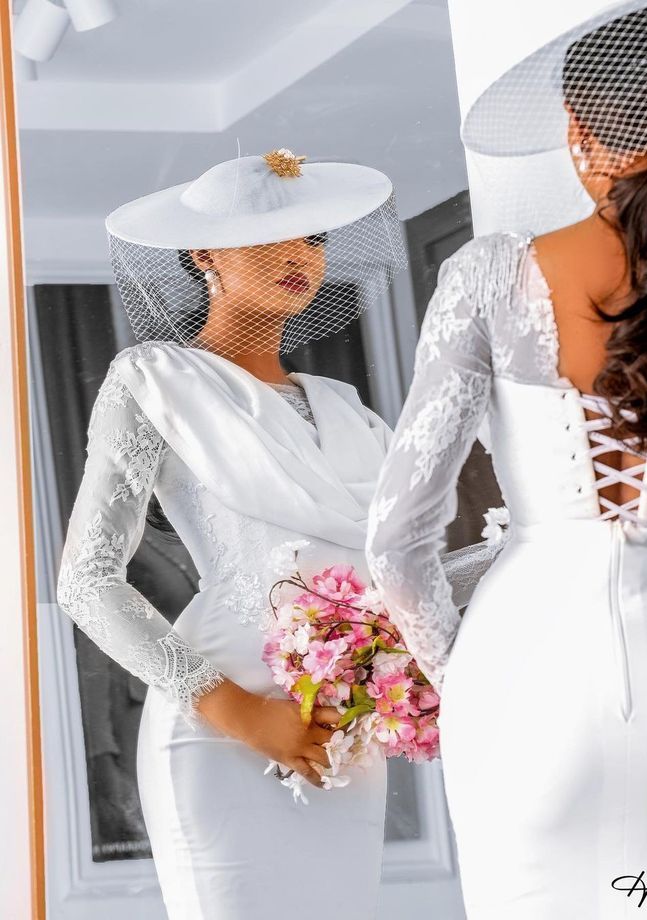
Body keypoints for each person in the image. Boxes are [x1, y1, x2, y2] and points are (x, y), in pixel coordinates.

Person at [366, 2, 647, 916]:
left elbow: (396, 540)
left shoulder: (491, 276)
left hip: (521, 679)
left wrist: (466, 676)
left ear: (578, 130)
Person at [56, 148, 408, 919]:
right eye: (271, 236)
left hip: (342, 738)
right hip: (220, 724)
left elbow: (404, 573)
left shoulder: (349, 408)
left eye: (314, 239)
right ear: (204, 252)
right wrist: (240, 713)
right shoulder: (153, 379)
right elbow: (85, 582)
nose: (300, 257)